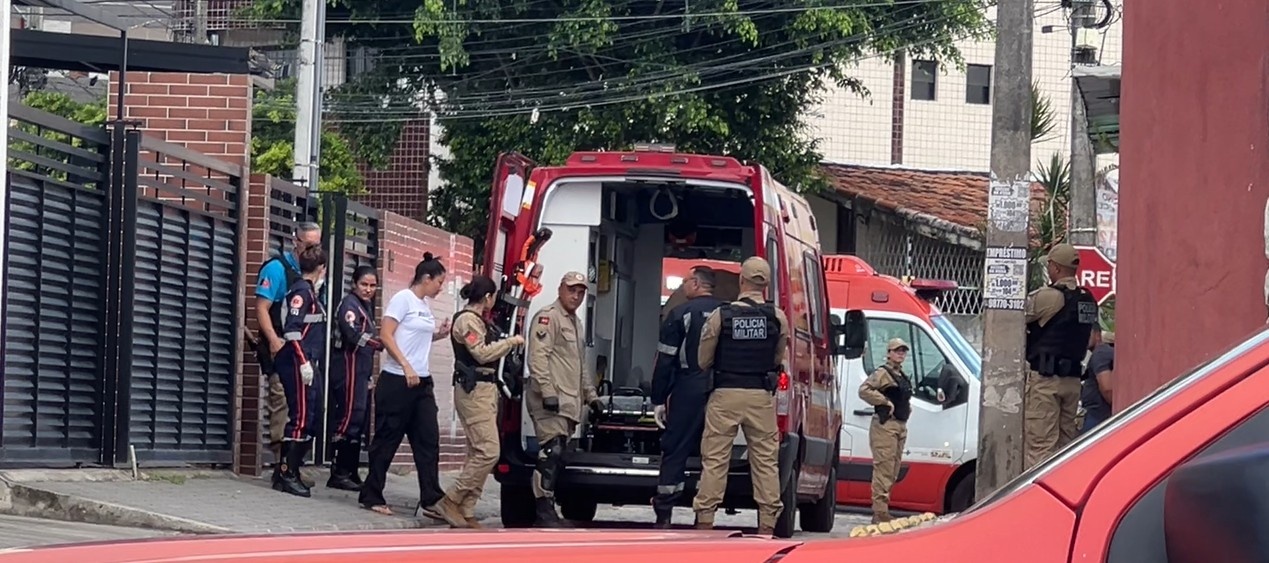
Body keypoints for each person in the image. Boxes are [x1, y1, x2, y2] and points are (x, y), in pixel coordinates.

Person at [691, 256, 788, 536]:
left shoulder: (721, 316)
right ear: (765, 285)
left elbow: (703, 360)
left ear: (741, 280)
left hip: (725, 395)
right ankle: (767, 526)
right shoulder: (777, 317)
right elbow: (777, 357)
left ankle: (705, 523)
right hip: (760, 396)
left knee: (715, 460)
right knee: (766, 461)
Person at [359, 253, 454, 522]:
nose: (441, 288)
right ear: (426, 278)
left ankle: (431, 497)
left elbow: (414, 339)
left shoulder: (424, 305)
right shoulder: (403, 299)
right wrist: (405, 365)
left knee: (428, 439)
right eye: (439, 282)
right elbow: (386, 335)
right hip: (398, 380)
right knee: (387, 439)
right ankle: (372, 494)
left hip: (421, 381)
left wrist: (439, 334)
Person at [437, 275, 526, 528]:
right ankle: (452, 498)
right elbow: (482, 353)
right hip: (473, 390)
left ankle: (466, 508)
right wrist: (510, 342)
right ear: (487, 297)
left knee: (477, 451)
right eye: (493, 296)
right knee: (489, 451)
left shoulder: (479, 320)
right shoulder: (467, 321)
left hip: (485, 389)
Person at [526, 271, 604, 527]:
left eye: (580, 292)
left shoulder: (575, 322)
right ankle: (543, 512)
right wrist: (547, 391)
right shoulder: (549, 317)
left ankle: (548, 508)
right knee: (551, 452)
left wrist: (591, 396)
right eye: (571, 290)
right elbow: (538, 357)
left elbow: (579, 365)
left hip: (567, 401)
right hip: (550, 399)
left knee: (558, 455)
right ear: (560, 289)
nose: (576, 296)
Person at [650, 266, 722, 528]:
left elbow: (665, 360)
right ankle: (704, 515)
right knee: (714, 453)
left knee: (676, 447)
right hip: (721, 391)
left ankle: (664, 513)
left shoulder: (680, 314)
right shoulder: (728, 313)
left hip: (688, 388)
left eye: (685, 281)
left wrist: (658, 398)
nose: (683, 286)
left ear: (696, 284)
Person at [255, 222, 322, 486]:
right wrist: (273, 340)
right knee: (281, 401)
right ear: (296, 241)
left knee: (302, 408)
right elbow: (262, 307)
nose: (312, 249)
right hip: (282, 348)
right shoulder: (277, 268)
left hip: (302, 353)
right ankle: (282, 466)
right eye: (308, 244)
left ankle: (292, 464)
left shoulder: (312, 272)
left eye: (316, 245)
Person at [1023, 243, 1099, 469]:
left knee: (1040, 448)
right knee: (1066, 448)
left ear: (1055, 267)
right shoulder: (1087, 299)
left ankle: (1038, 490)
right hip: (1073, 382)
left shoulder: (1049, 297)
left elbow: (1013, 317)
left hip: (1046, 382)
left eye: (1049, 265)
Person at [271, 245, 329, 497]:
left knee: (312, 418)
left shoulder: (310, 293)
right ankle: (285, 473)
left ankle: (292, 470)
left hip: (306, 360)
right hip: (297, 361)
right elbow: (292, 330)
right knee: (301, 417)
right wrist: (304, 362)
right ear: (321, 268)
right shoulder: (302, 292)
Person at [326, 265, 383, 491]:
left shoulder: (365, 306)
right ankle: (339, 472)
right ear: (354, 284)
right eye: (364, 284)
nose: (368, 289)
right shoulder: (349, 305)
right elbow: (353, 334)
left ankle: (350, 470)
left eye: (372, 285)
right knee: (349, 416)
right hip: (348, 366)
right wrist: (380, 344)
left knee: (359, 418)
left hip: (361, 368)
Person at [858, 338, 913, 523]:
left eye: (903, 351)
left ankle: (883, 509)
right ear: (889, 353)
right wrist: (884, 402)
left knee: (893, 469)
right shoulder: (883, 373)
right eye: (897, 350)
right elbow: (864, 390)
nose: (901, 354)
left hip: (899, 425)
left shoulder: (900, 374)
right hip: (886, 425)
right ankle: (880, 512)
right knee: (884, 469)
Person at [1080, 326, 1115, 433]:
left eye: (1088, 332)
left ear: (1097, 335)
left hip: (1098, 418)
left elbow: (1108, 389)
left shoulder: (1100, 353)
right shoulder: (1101, 353)